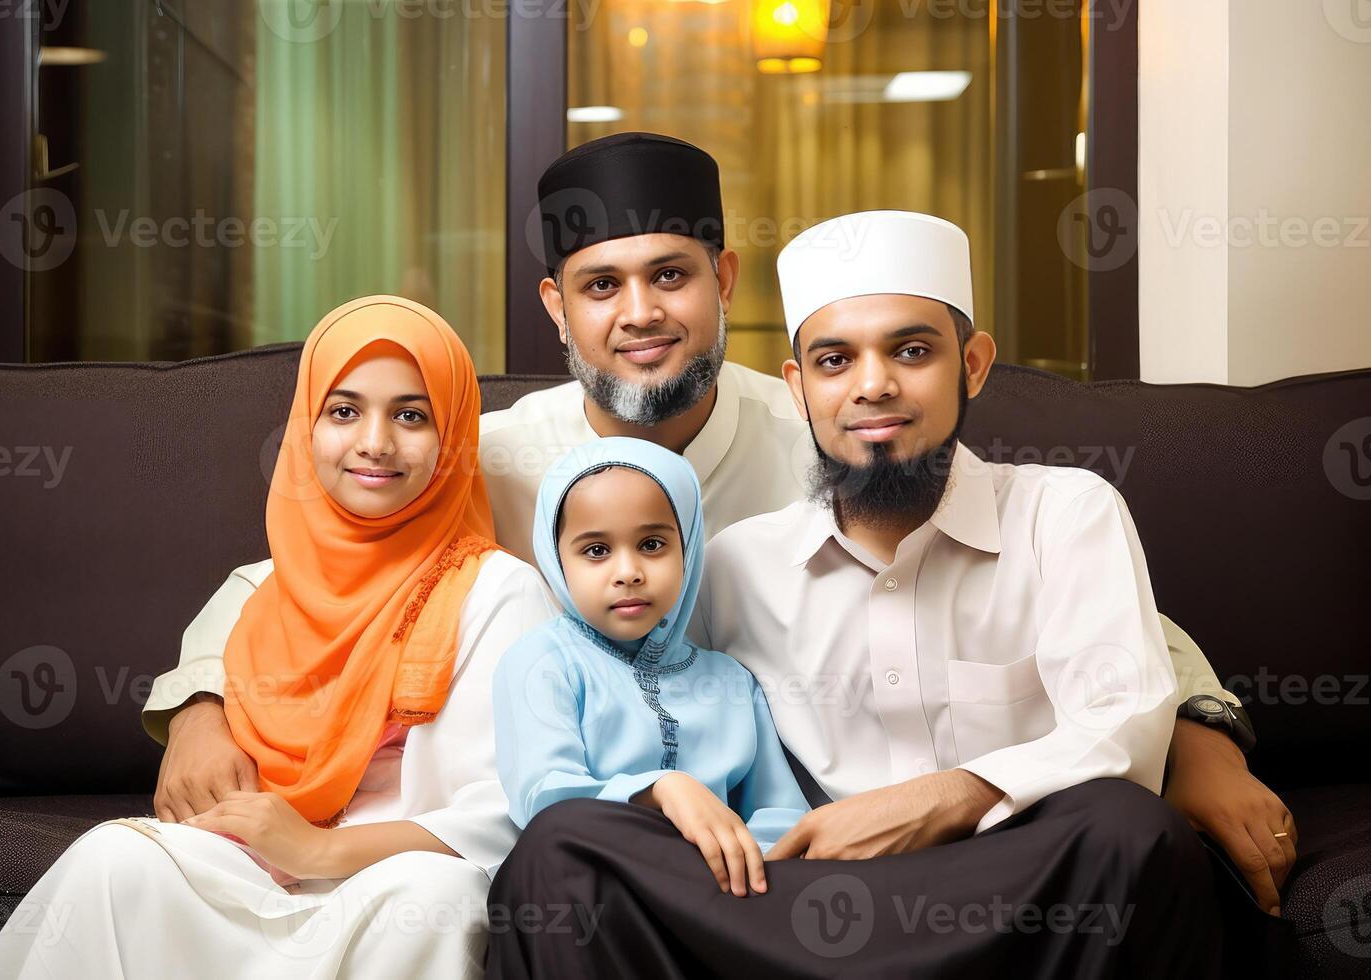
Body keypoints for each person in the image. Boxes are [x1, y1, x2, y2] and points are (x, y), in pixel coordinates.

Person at [151, 134, 1295, 917]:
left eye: (671, 275)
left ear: (724, 280)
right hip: (649, 823)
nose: (640, 313)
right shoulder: (493, 457)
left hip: (822, 813)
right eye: (601, 285)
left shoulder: (836, 430)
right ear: (557, 308)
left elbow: (1087, 599)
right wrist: (203, 704)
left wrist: (1197, 740)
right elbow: (303, 567)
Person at [483, 212, 1231, 977]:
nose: (873, 385)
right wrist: (674, 796)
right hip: (793, 905)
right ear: (799, 388)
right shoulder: (738, 564)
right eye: (836, 361)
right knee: (563, 849)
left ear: (972, 365)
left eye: (911, 351)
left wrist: (945, 798)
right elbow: (658, 708)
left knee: (1131, 831)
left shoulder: (1066, 513)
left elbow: (1125, 728)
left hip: (1011, 887)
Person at [0, 296, 558, 979]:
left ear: (453, 435)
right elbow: (202, 706)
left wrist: (316, 851)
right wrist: (204, 727)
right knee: (116, 856)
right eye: (344, 411)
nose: (375, 441)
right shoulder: (259, 590)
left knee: (440, 897)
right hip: (250, 863)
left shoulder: (499, 593)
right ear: (307, 429)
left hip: (390, 875)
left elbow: (509, 811)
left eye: (411, 414)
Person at [492, 437, 809, 898]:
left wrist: (745, 861)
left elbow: (782, 811)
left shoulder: (731, 682)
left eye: (652, 544)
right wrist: (660, 788)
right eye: (596, 551)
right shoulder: (542, 663)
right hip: (598, 891)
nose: (628, 572)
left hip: (724, 895)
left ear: (689, 549)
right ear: (557, 559)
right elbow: (544, 798)